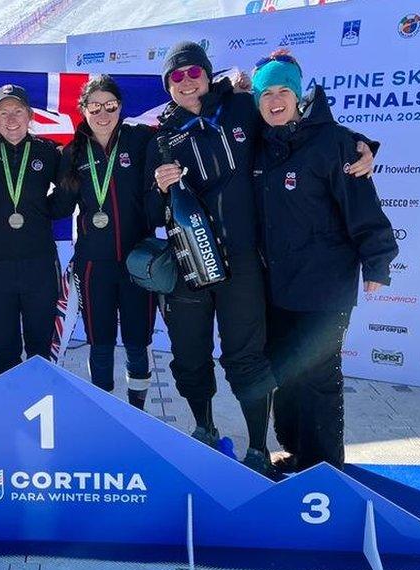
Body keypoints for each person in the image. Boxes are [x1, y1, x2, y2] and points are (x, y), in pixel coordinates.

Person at [147, 42, 376, 475]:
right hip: (190, 267)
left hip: (244, 264)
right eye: (175, 77)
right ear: (167, 86)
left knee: (248, 357)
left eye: (194, 72)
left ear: (207, 73)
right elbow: (146, 207)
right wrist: (159, 186)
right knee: (191, 357)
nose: (186, 81)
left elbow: (301, 132)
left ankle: (257, 447)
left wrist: (360, 147)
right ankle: (205, 430)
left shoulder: (241, 108)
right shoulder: (160, 133)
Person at [252, 50, 398, 471]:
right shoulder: (259, 144)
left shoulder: (335, 143)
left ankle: (323, 468)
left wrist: (378, 260)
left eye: (284, 91)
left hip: (324, 286)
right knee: (286, 373)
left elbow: (361, 205)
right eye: (266, 93)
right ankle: (295, 450)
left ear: (300, 95)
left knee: (318, 378)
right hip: (276, 285)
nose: (275, 100)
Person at [52, 75, 161, 409]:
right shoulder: (72, 152)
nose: (103, 113)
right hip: (93, 265)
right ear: (83, 109)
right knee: (100, 340)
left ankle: (136, 409)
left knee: (137, 340)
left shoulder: (140, 140)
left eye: (110, 106)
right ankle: (107, 410)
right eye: (94, 106)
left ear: (120, 107)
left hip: (137, 263)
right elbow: (59, 207)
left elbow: (184, 118)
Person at [0, 84, 62, 376]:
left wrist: (43, 210)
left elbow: (67, 197)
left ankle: (39, 406)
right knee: (2, 349)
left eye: (18, 111)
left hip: (39, 264)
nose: (11, 119)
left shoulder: (47, 152)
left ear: (30, 115)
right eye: (3, 112)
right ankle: (9, 411)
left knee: (40, 346)